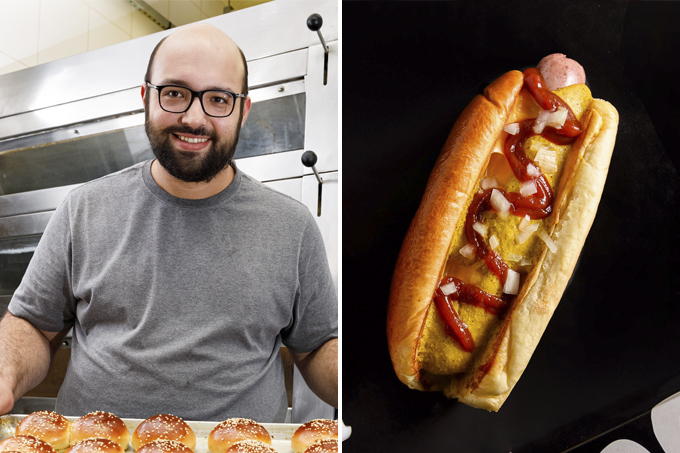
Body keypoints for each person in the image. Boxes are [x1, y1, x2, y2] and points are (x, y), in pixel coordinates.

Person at [0, 23, 338, 423]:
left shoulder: (291, 226)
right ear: (146, 98)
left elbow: (316, 345)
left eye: (218, 98)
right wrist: (5, 374)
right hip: (97, 446)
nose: (195, 119)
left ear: (244, 111)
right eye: (175, 93)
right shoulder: (83, 209)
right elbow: (35, 326)